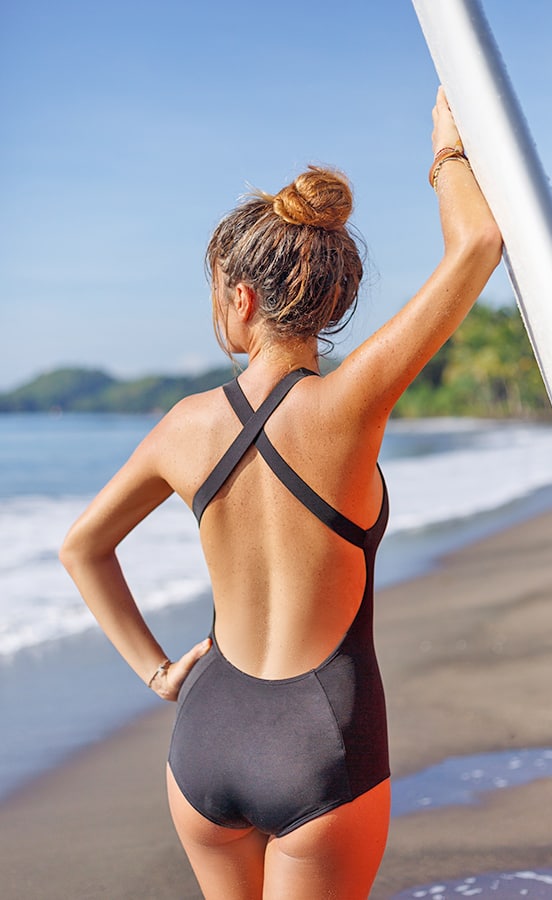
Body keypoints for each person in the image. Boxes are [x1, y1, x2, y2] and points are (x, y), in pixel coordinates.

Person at [60, 88, 502, 900]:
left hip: (206, 733)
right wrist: (447, 148)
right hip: (320, 748)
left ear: (242, 299)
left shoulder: (183, 427)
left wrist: (159, 673)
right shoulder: (348, 407)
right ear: (327, 299)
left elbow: (82, 547)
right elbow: (477, 244)